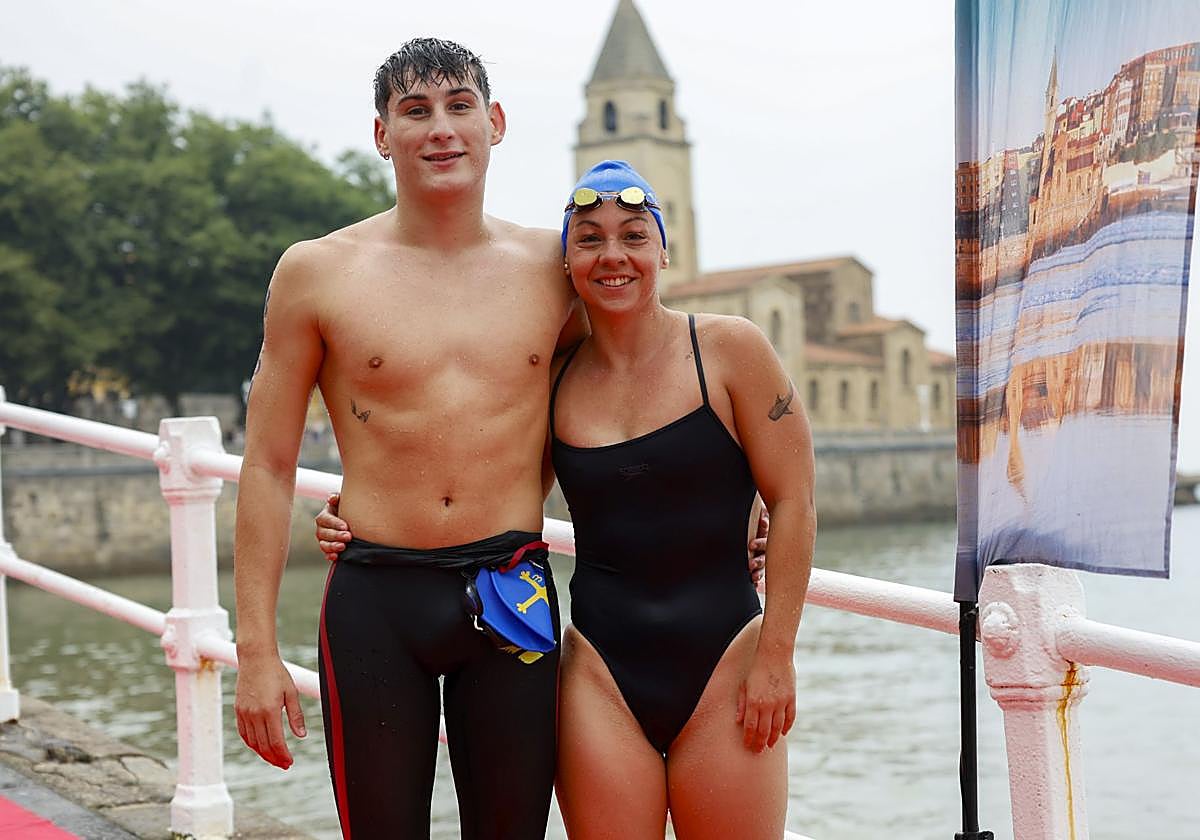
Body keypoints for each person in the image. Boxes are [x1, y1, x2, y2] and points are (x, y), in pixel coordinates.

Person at [235, 39, 765, 840]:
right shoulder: (316, 273)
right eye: (415, 111)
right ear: (383, 133)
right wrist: (254, 651)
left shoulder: (554, 268)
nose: (440, 129)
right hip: (378, 592)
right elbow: (270, 465)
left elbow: (644, 377)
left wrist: (748, 489)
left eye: (458, 106)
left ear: (496, 122)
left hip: (510, 587)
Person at [319, 160, 815, 840]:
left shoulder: (729, 350)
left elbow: (794, 502)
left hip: (729, 661)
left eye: (634, 236)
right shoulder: (556, 382)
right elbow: (496, 484)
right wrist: (364, 511)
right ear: (568, 262)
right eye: (589, 238)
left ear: (663, 249)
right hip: (601, 675)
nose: (614, 256)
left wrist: (777, 657)